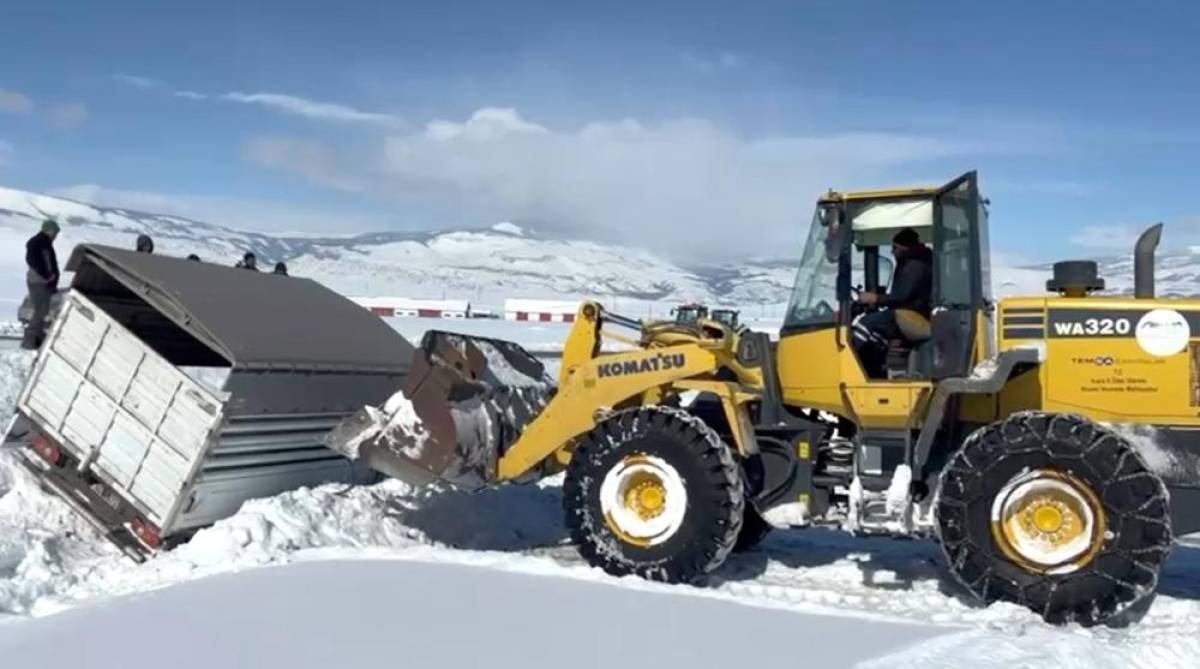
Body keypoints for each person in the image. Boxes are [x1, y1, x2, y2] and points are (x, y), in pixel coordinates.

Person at [851, 228, 933, 377]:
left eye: (895, 248)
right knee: (876, 334)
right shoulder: (917, 262)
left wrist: (875, 298)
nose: (892, 252)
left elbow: (901, 296)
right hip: (912, 311)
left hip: (912, 314)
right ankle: (876, 370)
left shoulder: (914, 266)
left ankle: (850, 364)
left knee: (866, 323)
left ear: (905, 248)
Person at [22, 219, 60, 350]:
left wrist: (53, 281)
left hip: (45, 282)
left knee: (44, 311)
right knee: (40, 311)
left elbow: (51, 264)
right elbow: (32, 261)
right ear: (49, 231)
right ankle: (29, 340)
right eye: (55, 233)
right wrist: (46, 276)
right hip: (37, 282)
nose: (55, 236)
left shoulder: (47, 244)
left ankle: (37, 339)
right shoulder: (36, 243)